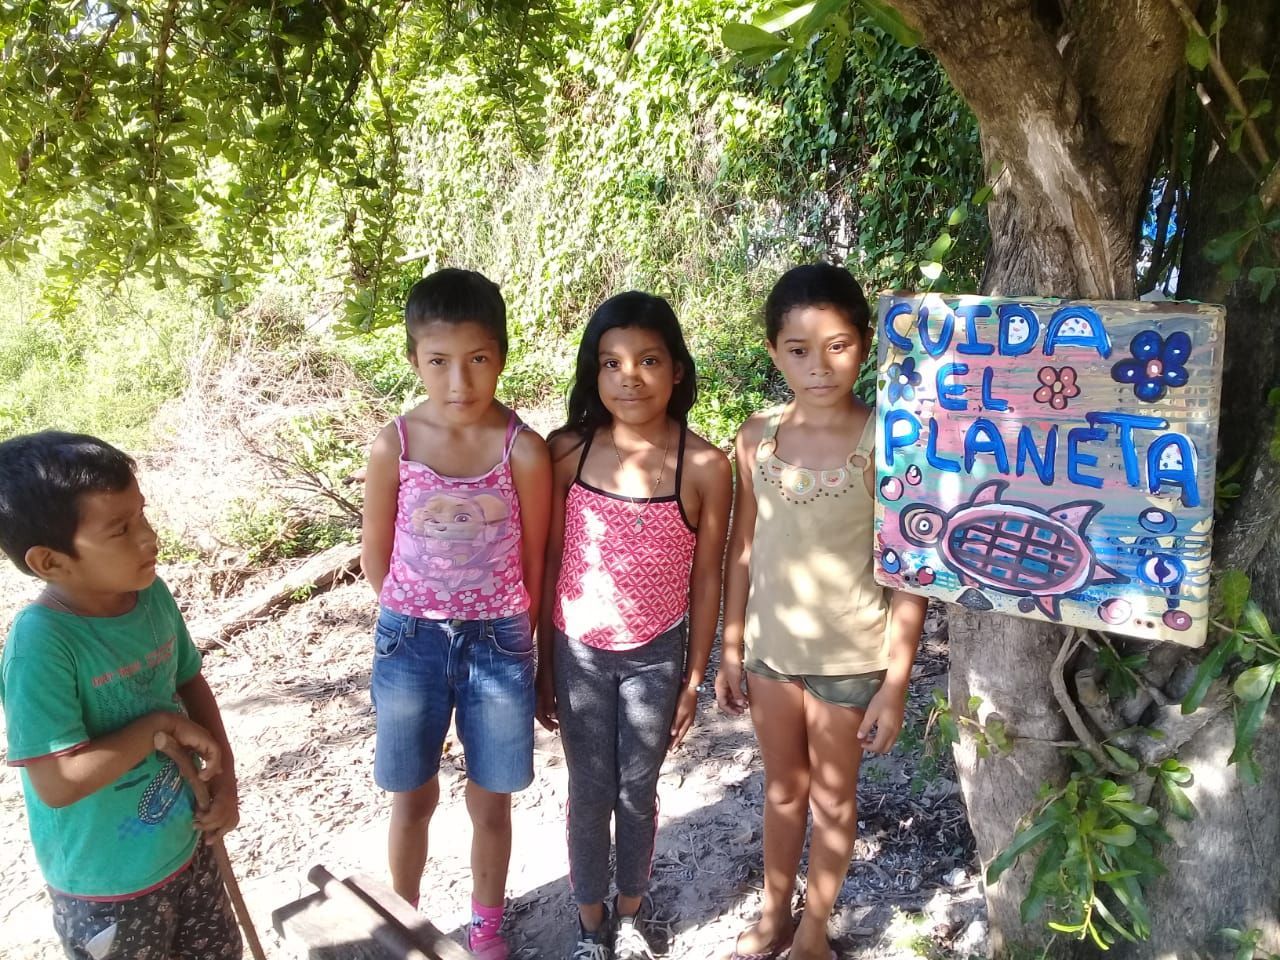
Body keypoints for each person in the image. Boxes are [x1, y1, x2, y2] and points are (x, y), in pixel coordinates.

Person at [715, 264, 927, 960]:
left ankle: (814, 926)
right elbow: (742, 547)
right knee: (783, 792)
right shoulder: (757, 440)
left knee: (834, 800)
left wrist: (894, 684)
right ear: (773, 351)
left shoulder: (889, 441)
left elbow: (910, 573)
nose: (819, 365)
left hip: (852, 659)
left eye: (837, 345)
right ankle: (775, 912)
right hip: (773, 655)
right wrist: (732, 648)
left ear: (865, 344)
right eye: (799, 350)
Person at [361, 268, 552, 959]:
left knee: (490, 797)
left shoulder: (522, 450)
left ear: (501, 355)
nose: (459, 383)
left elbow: (535, 559)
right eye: (438, 363)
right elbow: (374, 558)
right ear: (414, 359)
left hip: (498, 643)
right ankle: (400, 917)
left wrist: (513, 633)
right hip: (408, 639)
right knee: (411, 794)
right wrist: (415, 610)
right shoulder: (397, 445)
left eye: (478, 361)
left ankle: (487, 924)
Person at [537, 291, 732, 960]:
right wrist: (542, 662)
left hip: (656, 656)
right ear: (593, 372)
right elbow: (550, 560)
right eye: (611, 362)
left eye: (649, 360)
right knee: (590, 791)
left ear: (677, 370)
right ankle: (590, 921)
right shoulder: (567, 451)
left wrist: (693, 678)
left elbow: (708, 578)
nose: (630, 377)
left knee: (637, 791)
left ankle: (630, 909)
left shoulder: (705, 466)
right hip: (578, 651)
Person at [0, 431, 241, 960]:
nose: (149, 538)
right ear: (49, 562)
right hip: (107, 888)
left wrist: (225, 784)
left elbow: (189, 680)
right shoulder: (41, 645)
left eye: (143, 516)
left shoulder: (150, 595)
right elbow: (58, 783)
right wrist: (160, 726)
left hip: (187, 840)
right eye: (121, 529)